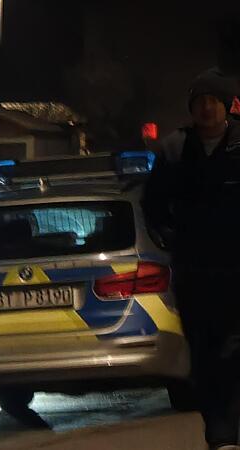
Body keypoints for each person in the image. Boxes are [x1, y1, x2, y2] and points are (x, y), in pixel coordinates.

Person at [145, 68, 240, 450]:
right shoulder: (174, 148)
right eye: (200, 101)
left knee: (232, 348)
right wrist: (170, 237)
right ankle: (218, 428)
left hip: (237, 268)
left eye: (214, 100)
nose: (207, 108)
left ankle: (226, 430)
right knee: (202, 352)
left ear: (227, 105)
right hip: (194, 270)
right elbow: (153, 205)